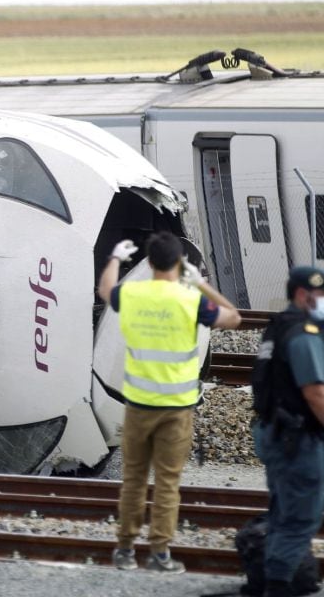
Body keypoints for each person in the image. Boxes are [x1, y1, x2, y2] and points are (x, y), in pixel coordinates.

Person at [98, 232, 241, 573]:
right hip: (176, 409)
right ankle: (160, 553)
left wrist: (116, 259)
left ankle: (125, 550)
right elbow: (233, 317)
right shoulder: (190, 299)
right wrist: (201, 283)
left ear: (148, 263)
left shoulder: (133, 293)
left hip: (138, 407)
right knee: (167, 482)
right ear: (179, 264)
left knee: (133, 480)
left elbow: (105, 291)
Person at [250, 266, 324, 597]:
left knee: (283, 510)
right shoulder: (303, 334)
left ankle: (267, 578)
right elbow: (315, 393)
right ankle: (277, 585)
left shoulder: (278, 326)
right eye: (320, 294)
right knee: (300, 518)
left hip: (274, 432)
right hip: (298, 440)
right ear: (302, 294)